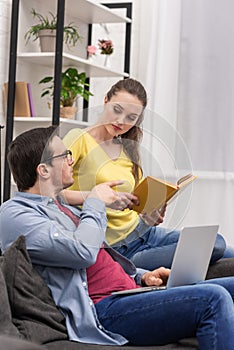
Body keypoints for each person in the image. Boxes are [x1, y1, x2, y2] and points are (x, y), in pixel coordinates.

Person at [1, 126, 234, 349]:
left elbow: (103, 256)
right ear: (43, 170)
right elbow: (82, 252)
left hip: (129, 292)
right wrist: (93, 201)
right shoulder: (15, 214)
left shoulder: (61, 206)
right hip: (103, 310)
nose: (71, 160)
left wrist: (142, 277)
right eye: (65, 155)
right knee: (214, 298)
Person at [63, 78, 234, 270]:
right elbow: (49, 193)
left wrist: (149, 214)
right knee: (214, 246)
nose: (121, 121)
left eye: (131, 117)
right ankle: (134, 270)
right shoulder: (78, 138)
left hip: (143, 232)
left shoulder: (125, 148)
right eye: (117, 110)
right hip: (119, 250)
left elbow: (130, 202)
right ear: (105, 101)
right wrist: (95, 197)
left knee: (224, 250)